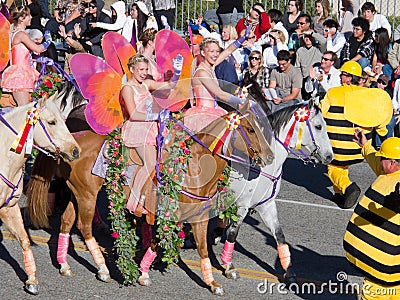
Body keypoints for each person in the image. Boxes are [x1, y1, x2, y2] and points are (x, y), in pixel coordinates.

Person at [319, 61, 392, 209]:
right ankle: (339, 195)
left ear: (350, 77)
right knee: (342, 167)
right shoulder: (368, 95)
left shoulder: (333, 93)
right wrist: (383, 134)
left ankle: (348, 187)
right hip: (360, 146)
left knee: (333, 167)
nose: (340, 76)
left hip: (339, 145)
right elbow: (380, 119)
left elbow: (320, 112)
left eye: (343, 74)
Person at [120, 54, 183, 215]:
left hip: (152, 127)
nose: (143, 72)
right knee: (149, 163)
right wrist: (154, 116)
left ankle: (156, 197)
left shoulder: (146, 84)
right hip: (137, 128)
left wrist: (177, 72)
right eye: (140, 69)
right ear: (132, 69)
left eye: (146, 69)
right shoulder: (127, 88)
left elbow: (169, 87)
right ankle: (133, 203)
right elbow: (133, 114)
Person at [344, 131, 400, 299]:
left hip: (380, 269)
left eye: (382, 157)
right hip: (386, 268)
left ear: (391, 162)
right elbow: (374, 158)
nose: (379, 160)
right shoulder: (387, 171)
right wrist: (365, 145)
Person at [184, 29, 250, 133]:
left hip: (215, 110)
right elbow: (220, 94)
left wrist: (242, 38)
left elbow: (228, 51)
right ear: (203, 52)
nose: (215, 55)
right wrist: (241, 101)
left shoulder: (211, 66)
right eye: (212, 51)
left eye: (217, 51)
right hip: (204, 115)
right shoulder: (202, 73)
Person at [1, 6, 52, 106]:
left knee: (27, 107)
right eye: (28, 15)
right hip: (19, 75)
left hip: (25, 73)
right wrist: (48, 40)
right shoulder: (20, 34)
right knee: (23, 108)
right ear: (21, 18)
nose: (31, 17)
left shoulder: (22, 34)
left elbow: (26, 53)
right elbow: (38, 49)